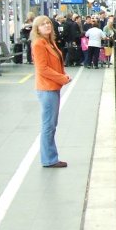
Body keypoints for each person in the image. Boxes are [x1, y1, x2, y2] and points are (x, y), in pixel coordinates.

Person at [30, 15, 72, 168]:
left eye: (48, 23)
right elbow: (43, 69)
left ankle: (50, 157)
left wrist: (63, 75)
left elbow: (55, 63)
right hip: (47, 88)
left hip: (52, 87)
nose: (47, 25)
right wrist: (62, 78)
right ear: (37, 29)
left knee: (51, 124)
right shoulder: (39, 44)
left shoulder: (49, 42)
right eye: (43, 24)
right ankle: (49, 159)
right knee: (49, 125)